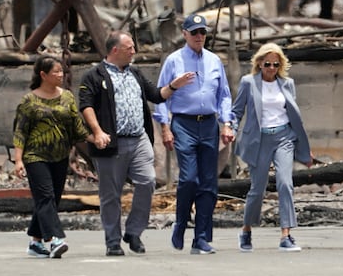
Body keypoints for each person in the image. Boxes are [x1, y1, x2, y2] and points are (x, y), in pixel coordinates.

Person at [78, 31, 193, 257]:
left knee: (147, 181)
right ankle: (113, 241)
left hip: (138, 139)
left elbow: (157, 95)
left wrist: (174, 85)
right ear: (115, 51)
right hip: (111, 143)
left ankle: (134, 232)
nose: (134, 51)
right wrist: (98, 131)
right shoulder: (94, 76)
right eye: (129, 47)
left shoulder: (136, 73)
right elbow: (86, 105)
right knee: (111, 194)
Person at [153, 13, 235, 255]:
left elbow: (224, 95)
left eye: (203, 32)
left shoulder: (214, 61)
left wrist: (227, 123)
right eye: (195, 32)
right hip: (184, 124)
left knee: (209, 183)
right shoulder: (174, 61)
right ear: (185, 34)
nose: (200, 36)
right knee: (189, 178)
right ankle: (180, 222)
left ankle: (201, 237)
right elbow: (160, 95)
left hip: (209, 124)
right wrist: (165, 127)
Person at [231, 42, 312, 252]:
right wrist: (230, 128)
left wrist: (303, 148)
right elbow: (237, 110)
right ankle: (246, 229)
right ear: (259, 63)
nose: (271, 68)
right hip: (259, 140)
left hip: (283, 137)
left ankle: (286, 234)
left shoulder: (287, 84)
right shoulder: (249, 83)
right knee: (257, 190)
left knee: (285, 183)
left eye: (276, 64)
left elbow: (295, 117)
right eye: (267, 64)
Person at [13, 54, 94, 259]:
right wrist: (19, 159)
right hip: (35, 156)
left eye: (61, 71)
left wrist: (96, 137)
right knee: (46, 196)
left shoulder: (67, 96)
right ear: (43, 75)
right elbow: (20, 132)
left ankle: (35, 241)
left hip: (60, 156)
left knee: (50, 199)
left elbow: (76, 126)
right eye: (56, 72)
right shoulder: (29, 101)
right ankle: (56, 239)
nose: (60, 75)